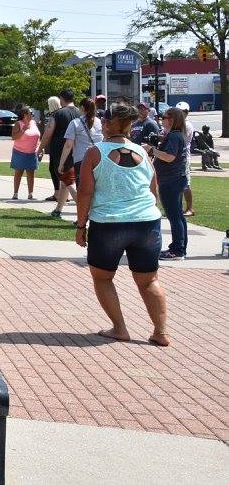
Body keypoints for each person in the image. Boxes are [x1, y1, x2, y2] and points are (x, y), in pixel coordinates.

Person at [75, 102, 169, 346]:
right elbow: (153, 189)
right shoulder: (142, 152)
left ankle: (120, 328)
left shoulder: (95, 152)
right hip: (146, 222)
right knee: (149, 280)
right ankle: (160, 332)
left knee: (103, 277)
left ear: (105, 124)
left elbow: (85, 192)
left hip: (109, 223)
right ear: (130, 125)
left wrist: (80, 225)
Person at [148, 107, 189, 260]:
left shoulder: (174, 136)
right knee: (178, 215)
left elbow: (170, 157)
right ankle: (180, 248)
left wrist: (153, 150)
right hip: (176, 179)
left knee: (174, 216)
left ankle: (177, 250)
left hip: (171, 181)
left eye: (164, 117)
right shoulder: (176, 135)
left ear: (171, 119)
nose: (162, 119)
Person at [53, 98, 104, 217]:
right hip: (99, 158)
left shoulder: (75, 123)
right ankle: (96, 215)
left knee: (83, 191)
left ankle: (83, 217)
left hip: (82, 160)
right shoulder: (99, 122)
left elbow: (68, 145)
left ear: (82, 108)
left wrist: (61, 163)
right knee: (97, 190)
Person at [9, 104, 42, 200]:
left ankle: (30, 194)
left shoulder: (33, 123)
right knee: (18, 172)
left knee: (31, 173)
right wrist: (23, 130)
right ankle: (15, 193)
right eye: (30, 113)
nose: (32, 115)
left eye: (32, 114)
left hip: (32, 153)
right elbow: (14, 137)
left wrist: (40, 147)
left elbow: (37, 136)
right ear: (24, 114)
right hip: (19, 152)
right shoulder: (18, 123)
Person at [175, 101, 195, 216]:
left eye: (182, 112)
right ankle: (179, 208)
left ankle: (190, 208)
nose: (180, 114)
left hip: (184, 158)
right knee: (178, 184)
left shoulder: (186, 125)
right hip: (177, 157)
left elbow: (181, 140)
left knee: (185, 183)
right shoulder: (178, 124)